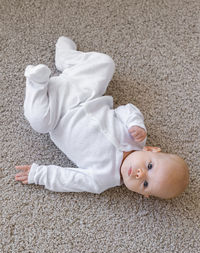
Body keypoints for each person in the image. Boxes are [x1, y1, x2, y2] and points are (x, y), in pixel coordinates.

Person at [15, 36, 189, 199]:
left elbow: (70, 178)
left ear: (144, 194)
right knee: (105, 63)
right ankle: (66, 57)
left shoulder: (102, 179)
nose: (140, 174)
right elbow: (126, 109)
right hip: (85, 93)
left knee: (38, 121)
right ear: (151, 150)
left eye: (145, 184)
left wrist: (38, 174)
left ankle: (37, 83)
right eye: (149, 166)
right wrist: (135, 123)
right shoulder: (136, 136)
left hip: (56, 115)